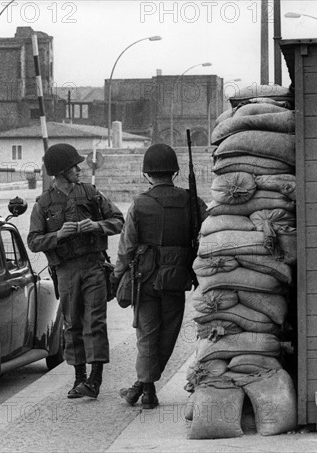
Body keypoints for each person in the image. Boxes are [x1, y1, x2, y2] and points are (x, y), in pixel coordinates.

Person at [113, 143, 208, 408]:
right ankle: (144, 389)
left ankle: (146, 390)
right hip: (177, 277)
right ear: (175, 172)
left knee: (147, 336)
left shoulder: (140, 204)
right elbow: (206, 236)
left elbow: (126, 247)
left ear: (147, 174)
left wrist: (117, 277)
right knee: (168, 335)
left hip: (144, 279)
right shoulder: (193, 202)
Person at [27, 143, 124, 399]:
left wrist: (98, 225)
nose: (79, 169)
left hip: (93, 266)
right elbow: (34, 241)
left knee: (96, 322)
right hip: (66, 270)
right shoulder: (44, 204)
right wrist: (57, 235)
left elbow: (118, 220)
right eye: (73, 166)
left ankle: (95, 379)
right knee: (73, 324)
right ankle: (79, 377)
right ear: (60, 171)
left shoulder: (91, 193)